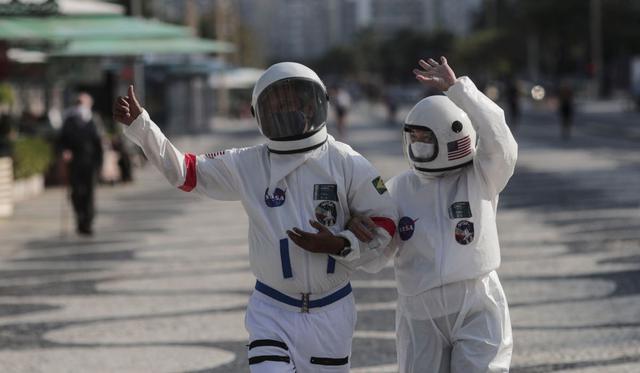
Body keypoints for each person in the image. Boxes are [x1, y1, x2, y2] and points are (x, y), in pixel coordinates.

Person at [113, 62, 398, 372]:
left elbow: (385, 222)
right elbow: (186, 172)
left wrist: (341, 244)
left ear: (316, 104)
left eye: (296, 101)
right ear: (258, 113)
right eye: (278, 103)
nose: (289, 111)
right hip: (272, 308)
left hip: (331, 310)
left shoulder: (346, 161)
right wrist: (143, 127)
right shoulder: (248, 164)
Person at [348, 57, 517, 372]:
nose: (418, 143)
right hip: (419, 310)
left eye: (426, 137)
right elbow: (376, 256)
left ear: (453, 134)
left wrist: (458, 90)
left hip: (477, 301)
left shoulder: (481, 176)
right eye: (414, 137)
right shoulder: (398, 190)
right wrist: (357, 235)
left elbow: (500, 141)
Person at [58, 92, 104, 236]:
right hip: (75, 162)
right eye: (78, 102)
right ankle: (80, 219)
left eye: (82, 102)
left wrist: (100, 164)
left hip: (90, 162)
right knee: (76, 192)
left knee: (89, 193)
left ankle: (88, 222)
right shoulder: (69, 120)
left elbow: (99, 144)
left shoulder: (94, 120)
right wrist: (65, 151)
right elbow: (61, 140)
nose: (80, 105)